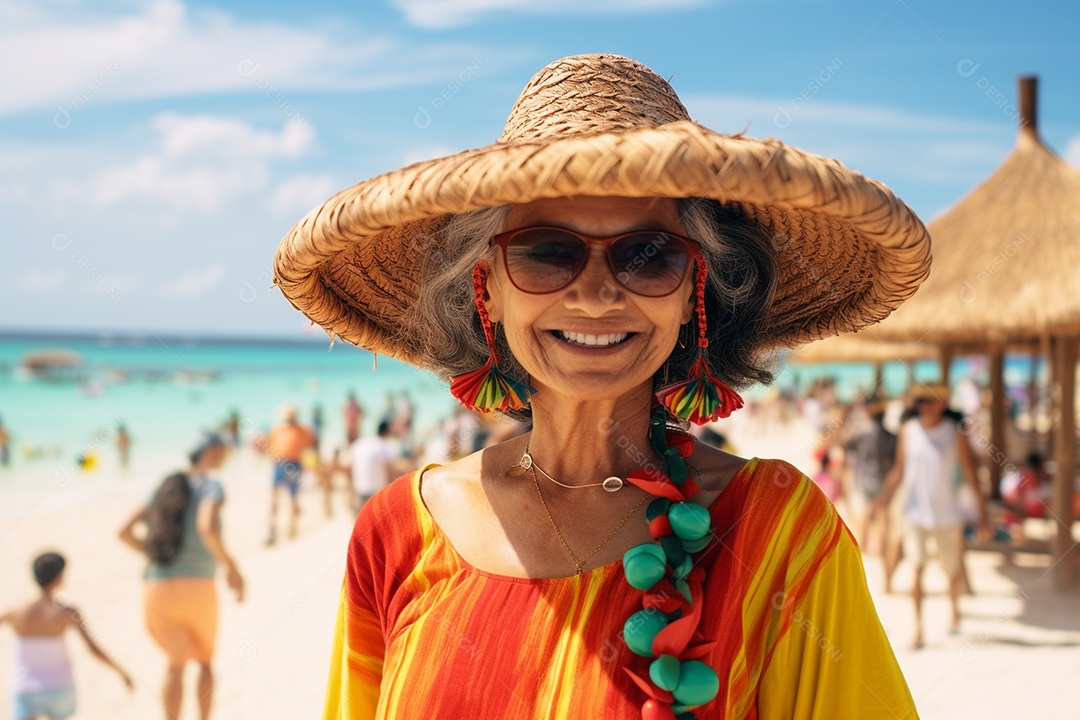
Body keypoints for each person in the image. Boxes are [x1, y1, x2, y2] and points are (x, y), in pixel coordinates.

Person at [274, 54, 931, 718]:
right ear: (488, 289)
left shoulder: (778, 534)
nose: (594, 295)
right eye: (545, 252)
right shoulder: (395, 535)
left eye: (649, 255)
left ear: (693, 292)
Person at [117, 433, 244, 720]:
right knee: (205, 662)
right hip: (197, 587)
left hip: (156, 586)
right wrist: (232, 567)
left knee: (175, 664)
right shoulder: (211, 484)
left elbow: (123, 532)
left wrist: (156, 555)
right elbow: (207, 527)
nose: (227, 455)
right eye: (223, 449)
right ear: (210, 451)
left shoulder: (167, 484)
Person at [876, 384, 990, 649]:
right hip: (914, 512)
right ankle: (918, 629)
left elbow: (971, 473)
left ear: (942, 403)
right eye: (920, 401)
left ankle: (954, 614)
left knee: (951, 570)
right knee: (917, 567)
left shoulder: (955, 433)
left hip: (948, 513)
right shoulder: (908, 430)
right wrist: (882, 498)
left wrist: (983, 514)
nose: (925, 405)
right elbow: (899, 469)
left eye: (930, 400)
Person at [1, 552, 133, 720]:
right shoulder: (68, 612)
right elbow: (93, 649)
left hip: (25, 687)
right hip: (59, 686)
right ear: (60, 576)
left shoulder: (13, 611)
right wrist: (121, 672)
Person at [845, 399, 898, 555]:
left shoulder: (861, 434)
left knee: (864, 520)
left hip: (863, 480)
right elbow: (892, 462)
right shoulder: (889, 436)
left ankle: (859, 550)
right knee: (882, 519)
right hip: (881, 480)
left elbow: (849, 451)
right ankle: (882, 551)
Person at [265, 405, 315, 544]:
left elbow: (309, 447)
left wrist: (311, 466)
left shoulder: (302, 430)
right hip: (281, 463)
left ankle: (292, 529)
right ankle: (272, 528)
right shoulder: (279, 429)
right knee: (276, 497)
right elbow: (271, 447)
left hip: (293, 464)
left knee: (293, 497)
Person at [347, 420, 398, 512]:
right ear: (386, 432)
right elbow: (388, 471)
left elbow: (350, 468)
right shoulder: (384, 445)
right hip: (376, 494)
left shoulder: (360, 443)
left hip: (360, 491)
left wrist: (351, 492)